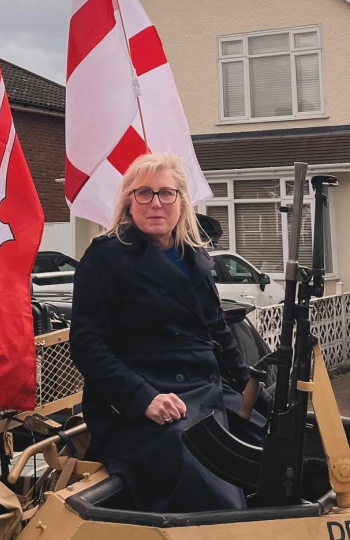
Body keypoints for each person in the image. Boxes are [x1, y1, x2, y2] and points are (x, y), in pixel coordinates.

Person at [69, 153, 253, 513]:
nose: (156, 203)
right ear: (128, 202)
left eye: (166, 193)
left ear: (181, 202)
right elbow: (88, 345)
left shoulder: (193, 256)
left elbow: (218, 331)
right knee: (206, 479)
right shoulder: (106, 257)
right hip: (138, 406)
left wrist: (253, 390)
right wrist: (144, 399)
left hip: (205, 391)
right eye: (144, 193)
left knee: (288, 446)